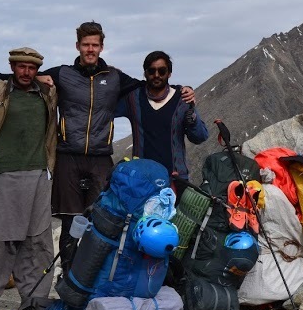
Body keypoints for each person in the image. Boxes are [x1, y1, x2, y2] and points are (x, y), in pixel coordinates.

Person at [36, 22, 194, 278]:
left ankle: (94, 276)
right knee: (70, 220)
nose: (90, 49)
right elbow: (27, 74)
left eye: (94, 45)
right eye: (86, 44)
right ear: (77, 46)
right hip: (68, 155)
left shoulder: (114, 77)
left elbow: (153, 86)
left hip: (100, 157)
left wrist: (182, 90)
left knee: (104, 217)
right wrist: (36, 76)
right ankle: (68, 273)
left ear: (101, 46)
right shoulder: (62, 73)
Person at [0, 47, 58, 310]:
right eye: (21, 66)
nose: (26, 72)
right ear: (12, 66)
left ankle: (35, 296)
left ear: (37, 70)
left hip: (38, 173)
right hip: (2, 173)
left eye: (32, 68)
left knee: (37, 238)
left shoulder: (47, 93)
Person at [117, 50, 208, 180]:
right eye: (151, 71)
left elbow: (200, 137)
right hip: (142, 180)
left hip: (175, 179)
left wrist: (192, 120)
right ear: (145, 73)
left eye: (162, 71)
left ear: (169, 73)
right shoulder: (133, 99)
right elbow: (104, 109)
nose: (156, 75)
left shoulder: (182, 99)